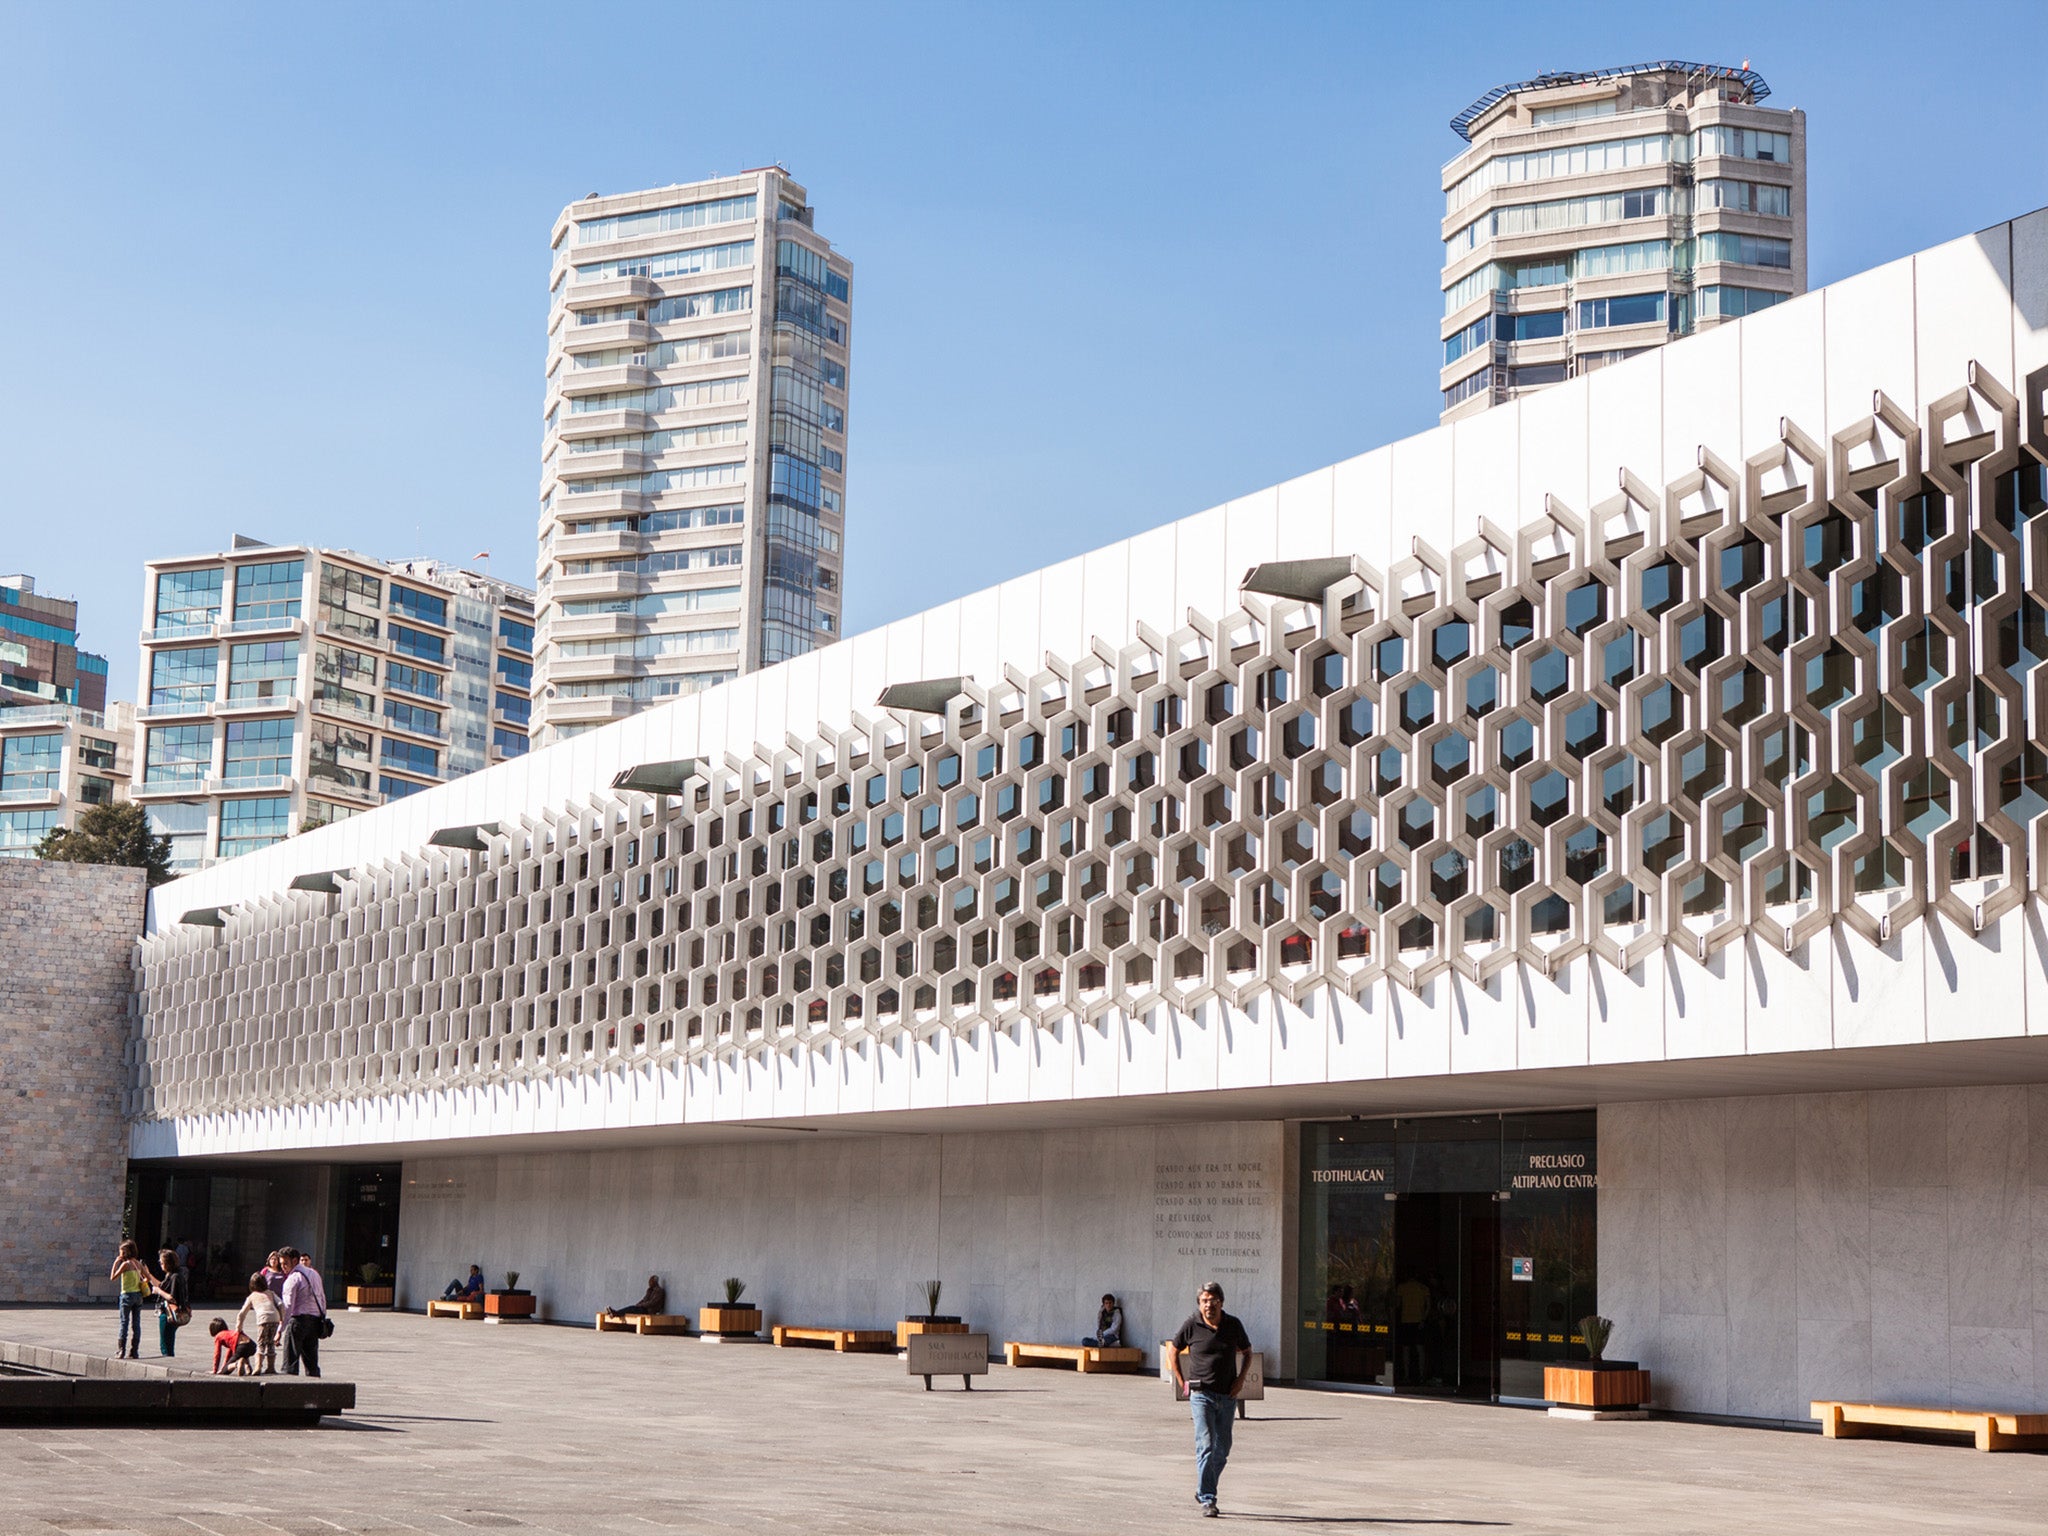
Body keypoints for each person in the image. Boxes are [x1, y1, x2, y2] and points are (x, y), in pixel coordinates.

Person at [1169, 1282, 1253, 1519]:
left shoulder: (1233, 1324)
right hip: (1201, 1395)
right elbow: (1173, 1349)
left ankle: (1203, 1486)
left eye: (1213, 1300)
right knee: (1205, 1444)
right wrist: (1181, 1380)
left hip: (1228, 1395)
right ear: (1199, 1304)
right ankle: (1208, 1498)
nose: (1209, 1305)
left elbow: (1247, 1352)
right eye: (1204, 1301)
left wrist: (1241, 1380)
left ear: (1221, 1303)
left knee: (1222, 1448)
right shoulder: (1191, 1324)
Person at [278, 1247, 328, 1378]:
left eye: (285, 1263)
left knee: (290, 1363)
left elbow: (288, 1307)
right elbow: (322, 1298)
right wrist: (322, 1318)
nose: (283, 1267)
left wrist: (280, 1329)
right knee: (312, 1363)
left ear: (294, 1261)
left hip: (298, 1322)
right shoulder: (314, 1274)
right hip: (314, 1321)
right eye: (281, 1264)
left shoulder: (293, 1279)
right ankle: (315, 1392)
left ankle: (289, 1392)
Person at [109, 1241, 154, 1360]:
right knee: (136, 1324)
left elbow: (112, 1277)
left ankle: (121, 1350)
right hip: (138, 1296)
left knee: (124, 1322)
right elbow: (148, 1278)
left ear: (125, 1252)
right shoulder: (138, 1264)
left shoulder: (125, 1265)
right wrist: (140, 1284)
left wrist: (115, 1263)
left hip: (127, 1296)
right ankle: (134, 1351)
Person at [236, 1273, 283, 1374]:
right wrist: (281, 1318)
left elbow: (242, 1313)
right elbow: (281, 1304)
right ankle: (271, 1367)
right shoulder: (271, 1293)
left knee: (261, 1343)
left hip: (263, 1319)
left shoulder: (252, 1296)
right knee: (270, 1343)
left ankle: (258, 1367)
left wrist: (239, 1327)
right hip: (275, 1319)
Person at [152, 1247, 189, 1357]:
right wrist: (147, 1273)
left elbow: (171, 1297)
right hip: (172, 1313)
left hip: (169, 1313)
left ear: (167, 1263)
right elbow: (161, 1285)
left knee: (165, 1343)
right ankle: (169, 1357)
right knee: (168, 1341)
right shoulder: (174, 1275)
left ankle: (168, 1360)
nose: (160, 1263)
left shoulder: (174, 1277)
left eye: (161, 1262)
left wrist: (158, 1291)